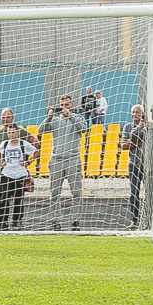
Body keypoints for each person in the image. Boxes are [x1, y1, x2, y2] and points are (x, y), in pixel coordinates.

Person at [38, 94, 87, 230]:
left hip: (73, 159)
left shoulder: (78, 117)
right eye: (62, 105)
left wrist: (70, 116)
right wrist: (48, 117)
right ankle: (55, 220)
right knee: (54, 193)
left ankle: (75, 220)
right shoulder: (54, 119)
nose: (64, 107)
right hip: (56, 160)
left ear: (72, 105)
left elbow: (83, 129)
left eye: (67, 104)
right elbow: (40, 131)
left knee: (76, 192)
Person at [0, 123, 36, 230]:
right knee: (4, 198)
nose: (11, 135)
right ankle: (1, 221)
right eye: (9, 132)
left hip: (20, 174)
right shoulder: (4, 144)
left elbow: (36, 152)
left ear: (17, 132)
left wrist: (28, 161)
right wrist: (1, 161)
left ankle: (17, 220)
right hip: (7, 173)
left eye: (13, 132)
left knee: (18, 199)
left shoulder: (23, 143)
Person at [120, 104, 150, 230]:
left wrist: (132, 143)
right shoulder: (128, 126)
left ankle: (150, 219)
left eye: (137, 112)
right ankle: (134, 220)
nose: (134, 114)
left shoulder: (148, 126)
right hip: (133, 163)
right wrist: (138, 143)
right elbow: (124, 145)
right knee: (134, 193)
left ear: (142, 113)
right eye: (133, 112)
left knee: (149, 192)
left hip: (147, 163)